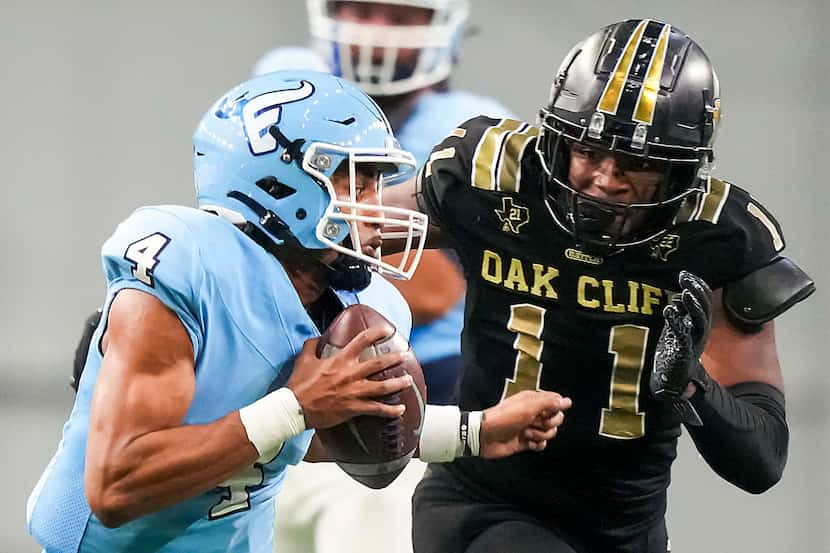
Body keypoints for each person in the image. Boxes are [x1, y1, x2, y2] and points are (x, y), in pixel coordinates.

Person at [26, 70, 571, 553]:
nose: (375, 201)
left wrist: (473, 433)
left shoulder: (364, 299)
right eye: (353, 177)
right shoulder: (186, 265)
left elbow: (312, 438)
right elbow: (117, 488)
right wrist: (298, 405)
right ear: (277, 181)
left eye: (376, 180)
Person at [382, 18, 816, 553]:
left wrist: (690, 384)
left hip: (628, 531)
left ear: (681, 173)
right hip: (484, 504)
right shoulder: (496, 183)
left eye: (636, 163)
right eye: (588, 152)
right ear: (557, 142)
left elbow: (762, 462)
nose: (606, 179)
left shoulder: (716, 239)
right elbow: (345, 236)